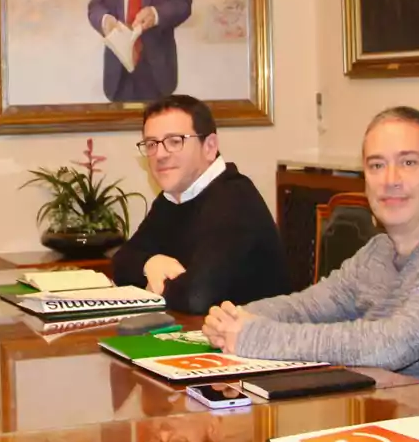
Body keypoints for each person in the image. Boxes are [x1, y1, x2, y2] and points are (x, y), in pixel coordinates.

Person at [203, 106, 419, 389]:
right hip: (393, 419)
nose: (391, 179)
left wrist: (254, 336)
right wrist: (236, 317)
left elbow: (389, 346)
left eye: (408, 162)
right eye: (377, 165)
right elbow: (309, 308)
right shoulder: (379, 250)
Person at [111, 95, 290, 314]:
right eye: (151, 144)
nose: (160, 155)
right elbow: (121, 263)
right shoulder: (174, 197)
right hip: (200, 336)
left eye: (175, 141)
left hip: (256, 342)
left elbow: (197, 297)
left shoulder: (234, 200)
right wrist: (151, 264)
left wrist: (153, 285)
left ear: (209, 146)